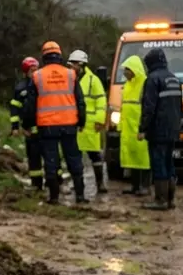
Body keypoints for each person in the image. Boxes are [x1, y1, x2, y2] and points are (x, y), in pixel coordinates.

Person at [24, 41, 88, 204]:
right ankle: (80, 196)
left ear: (44, 56)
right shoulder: (71, 75)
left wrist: (28, 125)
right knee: (74, 159)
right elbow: (80, 101)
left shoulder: (37, 76)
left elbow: (30, 104)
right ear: (59, 56)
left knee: (51, 161)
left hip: (47, 126)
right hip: (69, 125)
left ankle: (54, 197)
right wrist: (81, 121)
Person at [139, 48, 183, 210]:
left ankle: (160, 200)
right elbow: (180, 106)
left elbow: (149, 107)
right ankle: (171, 199)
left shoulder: (152, 79)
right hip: (172, 129)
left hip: (157, 130)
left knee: (158, 163)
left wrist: (142, 128)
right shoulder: (174, 79)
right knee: (169, 162)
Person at [68, 49, 109, 196]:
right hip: (74, 123)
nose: (71, 67)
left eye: (73, 64)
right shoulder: (70, 79)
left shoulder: (93, 80)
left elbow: (101, 100)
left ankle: (100, 184)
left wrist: (99, 119)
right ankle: (78, 184)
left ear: (81, 64)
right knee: (75, 156)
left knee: (95, 156)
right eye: (71, 64)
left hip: (91, 125)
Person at [9, 56, 44, 191]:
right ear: (25, 72)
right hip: (30, 130)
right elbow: (14, 108)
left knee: (51, 156)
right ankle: (36, 184)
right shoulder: (20, 88)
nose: (34, 73)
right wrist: (15, 127)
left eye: (36, 70)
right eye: (32, 70)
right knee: (33, 158)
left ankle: (55, 182)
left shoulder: (43, 86)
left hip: (45, 128)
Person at [118, 55, 151, 196]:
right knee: (132, 157)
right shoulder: (126, 86)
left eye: (127, 69)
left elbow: (147, 107)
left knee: (144, 158)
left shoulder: (145, 84)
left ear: (135, 70)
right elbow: (123, 107)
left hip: (139, 127)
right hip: (128, 128)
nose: (125, 73)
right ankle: (135, 186)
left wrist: (144, 127)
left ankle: (145, 186)